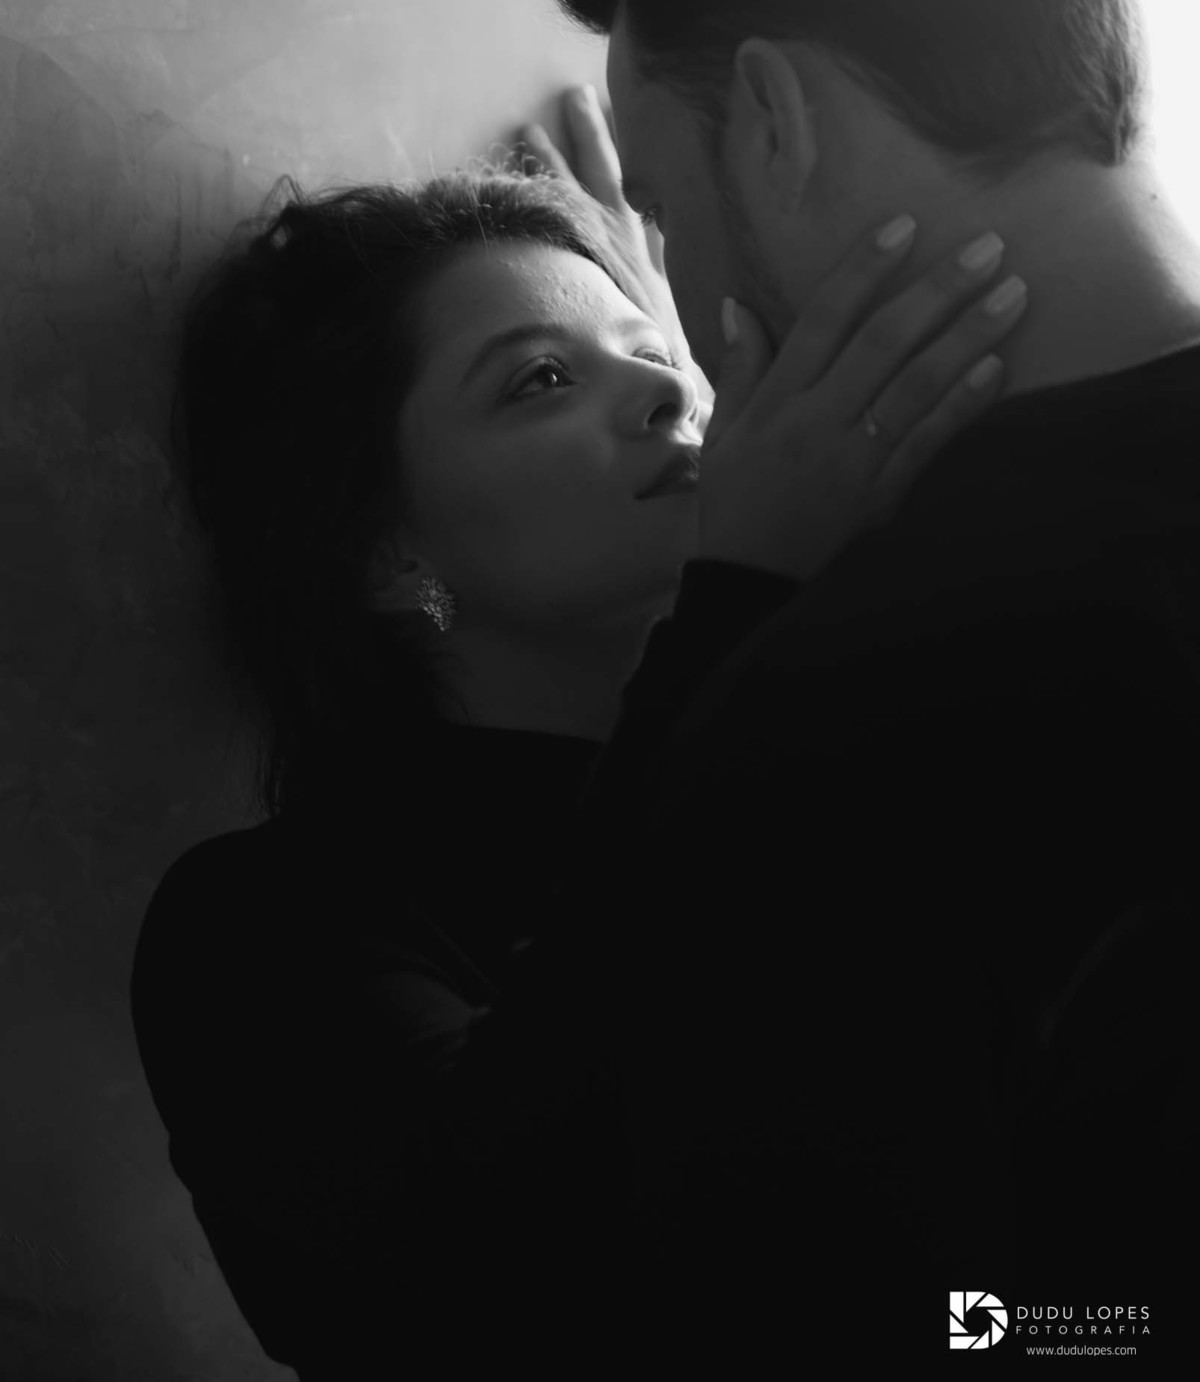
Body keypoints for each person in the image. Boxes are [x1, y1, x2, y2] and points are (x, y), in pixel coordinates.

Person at [130, 131, 1025, 1378]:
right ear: (384, 551)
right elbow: (532, 1272)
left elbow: (1041, 1303)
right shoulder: (263, 936)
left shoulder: (848, 796)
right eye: (540, 379)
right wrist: (743, 596)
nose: (675, 398)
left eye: (658, 358)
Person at [535, 0, 1199, 1351]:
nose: (679, 309)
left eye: (661, 209)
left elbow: (913, 1327)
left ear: (777, 119)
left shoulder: (828, 708)